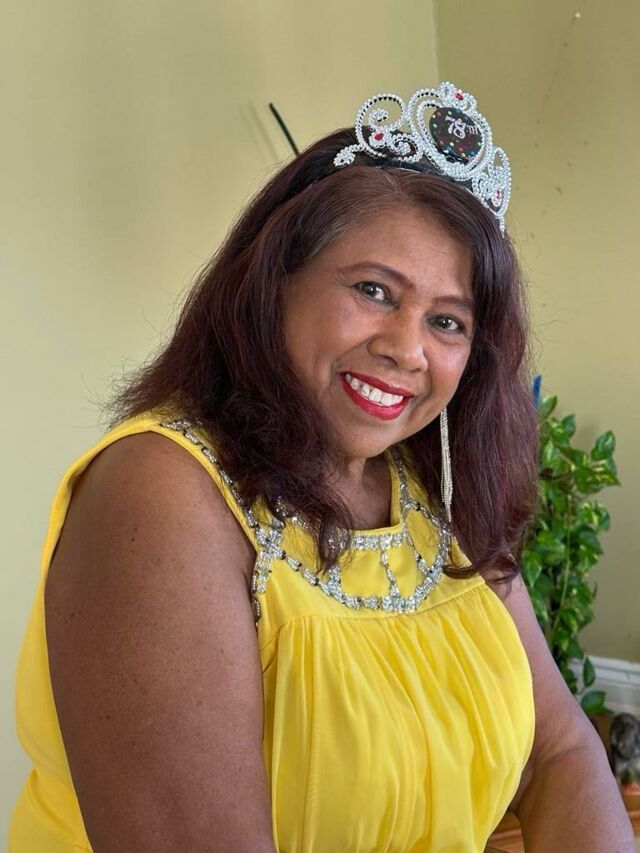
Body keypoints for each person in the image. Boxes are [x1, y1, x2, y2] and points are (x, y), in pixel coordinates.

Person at [10, 83, 634, 852]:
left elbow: (559, 750)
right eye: (374, 290)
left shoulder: (436, 491)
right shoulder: (161, 492)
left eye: (447, 321)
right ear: (274, 281)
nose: (407, 349)